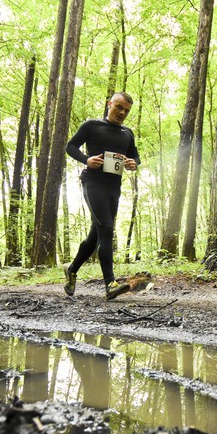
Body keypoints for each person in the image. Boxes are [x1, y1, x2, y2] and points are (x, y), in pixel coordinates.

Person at [63, 92, 140, 300]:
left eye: (126, 110)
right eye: (119, 107)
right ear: (110, 104)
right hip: (93, 183)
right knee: (106, 229)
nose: (122, 113)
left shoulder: (127, 133)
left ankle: (71, 270)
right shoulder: (92, 126)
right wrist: (86, 160)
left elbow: (135, 156)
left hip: (113, 188)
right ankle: (110, 284)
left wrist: (133, 163)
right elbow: (70, 146)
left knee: (96, 235)